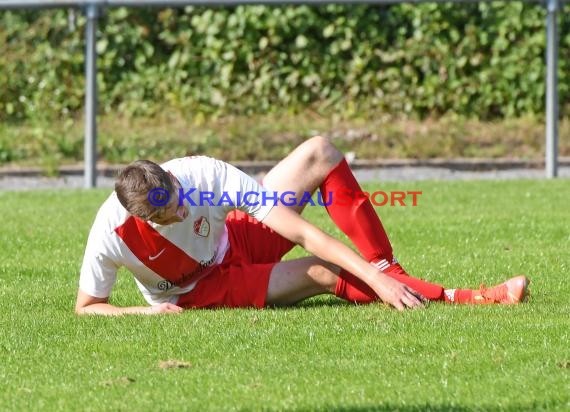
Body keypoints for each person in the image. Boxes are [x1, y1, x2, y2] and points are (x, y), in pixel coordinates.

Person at [75, 136, 530, 315]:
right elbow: (88, 306)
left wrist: (374, 274)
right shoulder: (109, 234)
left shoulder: (202, 176)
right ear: (139, 218)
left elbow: (300, 231)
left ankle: (387, 269)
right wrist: (145, 312)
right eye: (164, 217)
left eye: (178, 202)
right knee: (322, 272)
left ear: (173, 178)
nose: (179, 214)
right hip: (199, 290)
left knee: (319, 151)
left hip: (235, 239)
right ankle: (474, 297)